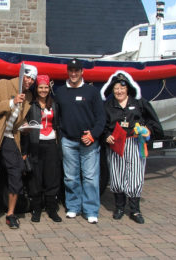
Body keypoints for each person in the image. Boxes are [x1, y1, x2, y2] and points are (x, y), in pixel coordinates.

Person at [100, 71, 163, 224]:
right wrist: (106, 135)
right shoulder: (107, 106)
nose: (119, 91)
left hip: (134, 143)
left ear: (128, 89)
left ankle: (135, 210)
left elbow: (153, 122)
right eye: (116, 88)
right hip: (115, 144)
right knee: (117, 176)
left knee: (135, 175)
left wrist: (145, 129)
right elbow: (101, 125)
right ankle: (120, 207)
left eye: (122, 88)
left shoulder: (140, 104)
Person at [0, 64, 38, 229]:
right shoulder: (3, 84)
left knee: (17, 172)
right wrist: (11, 102)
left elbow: (16, 122)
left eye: (32, 79)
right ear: (21, 75)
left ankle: (11, 214)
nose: (29, 81)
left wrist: (25, 126)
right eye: (27, 77)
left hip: (10, 137)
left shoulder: (28, 97)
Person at [53, 58, 106, 224]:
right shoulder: (60, 92)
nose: (74, 73)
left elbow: (101, 117)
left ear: (82, 72)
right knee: (70, 177)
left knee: (90, 177)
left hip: (88, 141)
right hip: (68, 141)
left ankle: (90, 210)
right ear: (68, 72)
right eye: (71, 70)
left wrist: (93, 135)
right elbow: (57, 117)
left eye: (77, 70)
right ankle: (73, 206)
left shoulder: (92, 92)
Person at [22, 75, 62, 223]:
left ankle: (52, 209)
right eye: (41, 87)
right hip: (35, 145)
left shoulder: (54, 104)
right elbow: (26, 130)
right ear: (36, 88)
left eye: (46, 87)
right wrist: (24, 151)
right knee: (36, 179)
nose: (43, 90)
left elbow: (58, 125)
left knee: (51, 178)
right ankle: (36, 209)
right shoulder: (31, 105)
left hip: (51, 144)